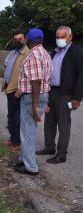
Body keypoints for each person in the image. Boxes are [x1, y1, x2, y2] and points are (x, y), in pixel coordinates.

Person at [36, 26, 83, 164]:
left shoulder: (78, 52)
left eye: (63, 37)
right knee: (49, 122)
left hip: (66, 94)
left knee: (64, 125)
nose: (60, 39)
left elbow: (81, 77)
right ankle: (49, 147)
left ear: (70, 37)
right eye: (58, 37)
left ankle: (61, 154)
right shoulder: (53, 53)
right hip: (51, 92)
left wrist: (77, 98)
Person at [12, 28, 52, 175]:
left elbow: (36, 81)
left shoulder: (34, 55)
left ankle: (30, 167)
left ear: (31, 39)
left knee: (28, 133)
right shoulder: (45, 54)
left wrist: (35, 106)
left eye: (27, 38)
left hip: (31, 98)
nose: (26, 41)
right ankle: (24, 159)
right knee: (27, 130)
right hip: (37, 96)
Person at [2, 31, 30, 152]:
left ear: (25, 39)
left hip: (18, 91)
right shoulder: (14, 53)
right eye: (15, 39)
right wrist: (6, 86)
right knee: (11, 116)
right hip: (10, 89)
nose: (17, 41)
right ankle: (12, 139)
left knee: (17, 118)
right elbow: (7, 68)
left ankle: (17, 143)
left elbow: (27, 75)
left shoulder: (27, 54)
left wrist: (20, 90)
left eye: (20, 39)